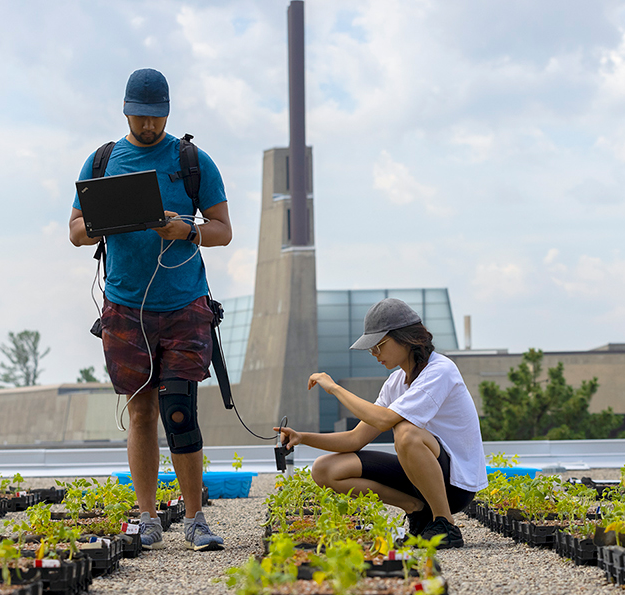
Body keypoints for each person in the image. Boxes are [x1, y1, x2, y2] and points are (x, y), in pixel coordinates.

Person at [68, 68, 231, 552]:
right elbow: (75, 231)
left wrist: (188, 231)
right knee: (140, 413)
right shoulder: (101, 161)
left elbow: (223, 229)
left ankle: (195, 519)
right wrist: (103, 224)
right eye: (140, 118)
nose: (148, 127)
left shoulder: (192, 160)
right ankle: (146, 517)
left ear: (168, 113)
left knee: (179, 411)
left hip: (184, 304)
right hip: (124, 307)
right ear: (125, 111)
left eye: (156, 118)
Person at [276, 298, 487, 548]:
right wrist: (303, 437)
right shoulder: (395, 382)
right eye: (371, 349)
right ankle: (416, 510)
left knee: (406, 432)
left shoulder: (440, 370)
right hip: (418, 479)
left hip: (454, 485)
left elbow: (385, 420)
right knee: (324, 469)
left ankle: (445, 523)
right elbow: (355, 439)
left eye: (379, 346)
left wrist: (334, 388)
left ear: (405, 338)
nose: (375, 354)